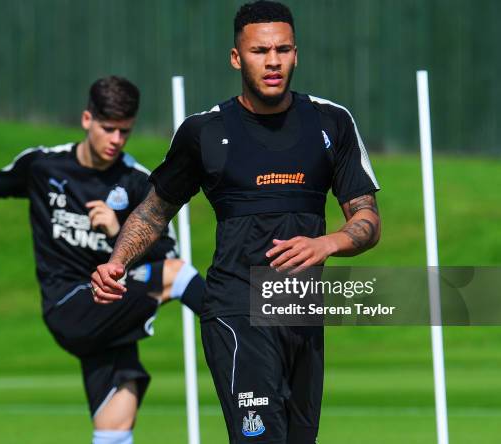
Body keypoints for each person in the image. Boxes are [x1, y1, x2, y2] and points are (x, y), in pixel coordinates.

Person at [92, 2, 381, 443]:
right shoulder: (203, 131)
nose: (272, 61)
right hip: (235, 311)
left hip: (301, 313)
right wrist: (118, 261)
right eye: (259, 51)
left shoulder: (330, 122)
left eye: (282, 49)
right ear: (236, 57)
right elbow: (154, 211)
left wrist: (331, 243)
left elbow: (367, 219)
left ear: (296, 54)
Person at [0, 76, 204, 444]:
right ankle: (246, 327)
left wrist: (117, 230)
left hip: (109, 310)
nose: (116, 140)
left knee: (117, 421)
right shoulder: (44, 166)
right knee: (179, 275)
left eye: (124, 131)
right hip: (68, 304)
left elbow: (166, 251)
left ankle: (248, 328)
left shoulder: (136, 181)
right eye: (108, 129)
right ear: (86, 119)